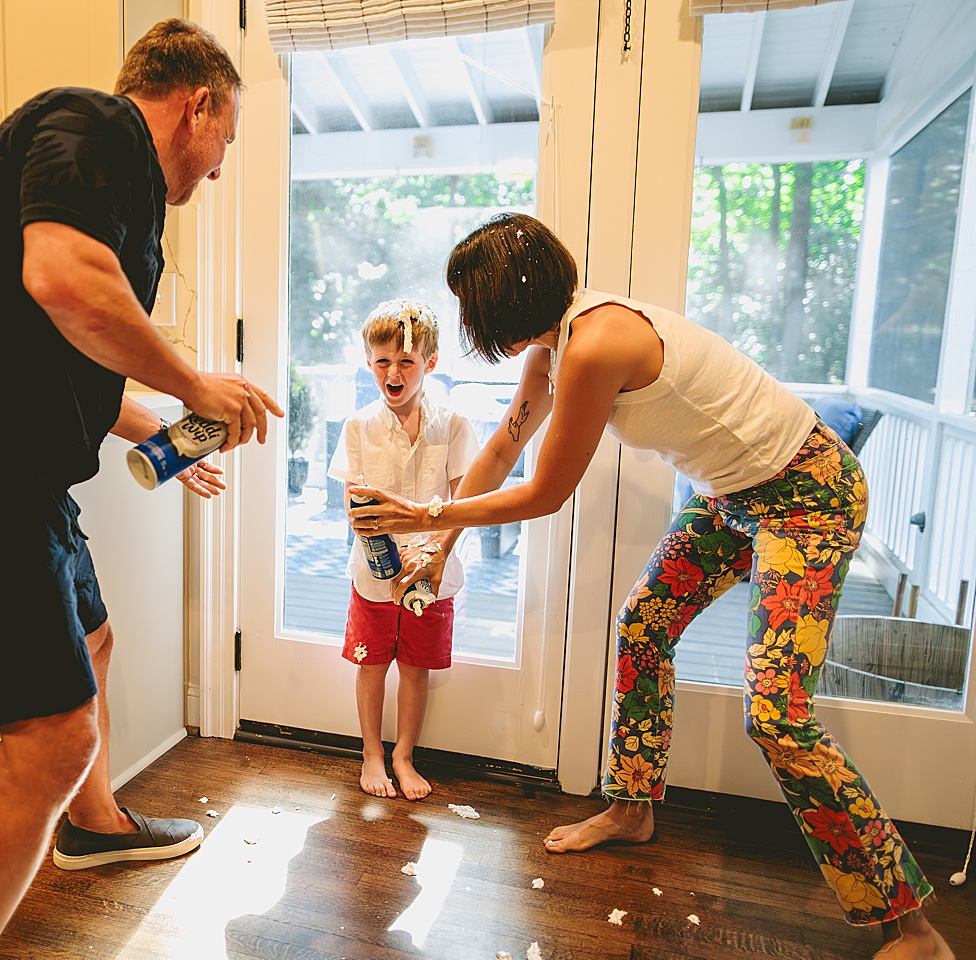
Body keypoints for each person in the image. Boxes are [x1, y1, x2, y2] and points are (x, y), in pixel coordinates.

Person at [345, 213, 952, 959]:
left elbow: (545, 493)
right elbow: (506, 449)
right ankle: (632, 808)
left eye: (473, 306)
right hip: (733, 494)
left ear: (504, 301)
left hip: (807, 490)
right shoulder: (552, 351)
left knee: (777, 714)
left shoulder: (598, 342)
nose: (472, 323)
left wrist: (431, 508)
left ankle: (910, 925)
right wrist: (441, 544)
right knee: (644, 626)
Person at [0, 19, 282, 960]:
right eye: (225, 144)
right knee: (51, 735)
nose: (216, 172)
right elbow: (64, 281)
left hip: (7, 465)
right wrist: (195, 385)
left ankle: (92, 830)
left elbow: (78, 351)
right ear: (197, 102)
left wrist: (168, 430)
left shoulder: (117, 192)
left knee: (94, 638)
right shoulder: (94, 126)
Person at [328, 299, 478, 800]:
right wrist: (384, 553)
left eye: (407, 362)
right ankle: (372, 752)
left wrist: (430, 551)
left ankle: (404, 755)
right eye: (382, 361)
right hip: (373, 575)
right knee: (372, 665)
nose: (394, 372)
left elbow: (466, 501)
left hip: (434, 574)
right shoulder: (358, 427)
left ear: (430, 363)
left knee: (416, 668)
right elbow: (355, 508)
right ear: (368, 361)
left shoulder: (454, 424)